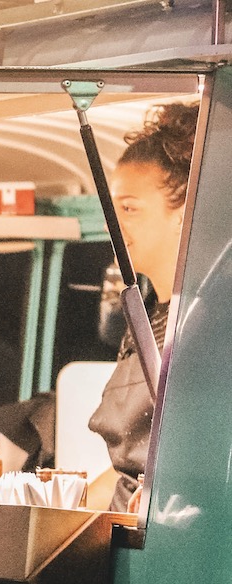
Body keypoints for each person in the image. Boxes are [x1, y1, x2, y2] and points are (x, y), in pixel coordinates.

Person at [88, 101, 198, 511]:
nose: (111, 226)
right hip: (121, 538)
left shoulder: (208, 323)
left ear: (184, 216)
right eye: (111, 211)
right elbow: (125, 476)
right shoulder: (143, 316)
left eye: (130, 209)